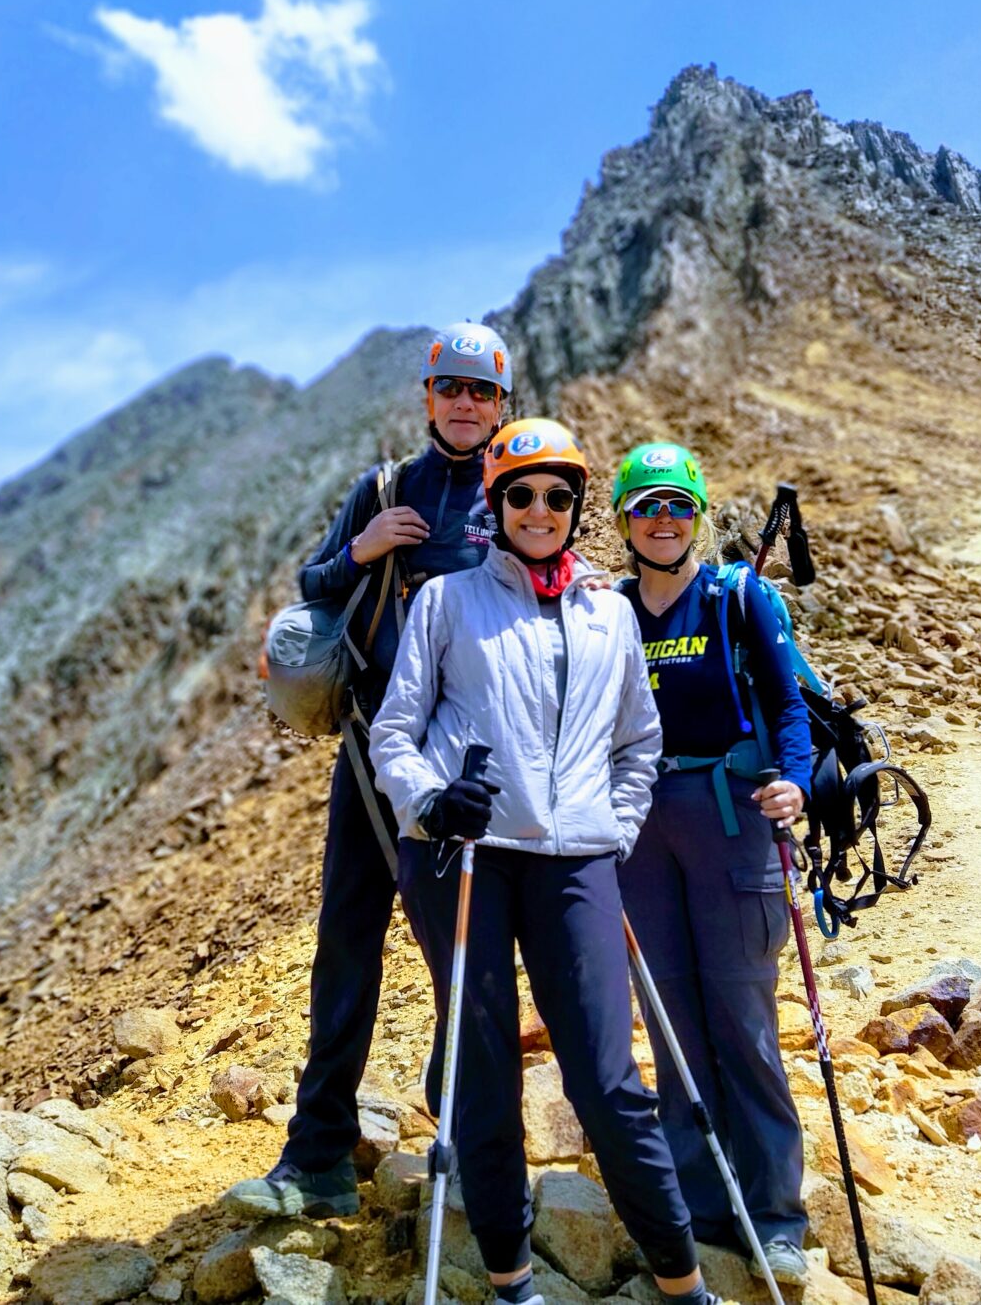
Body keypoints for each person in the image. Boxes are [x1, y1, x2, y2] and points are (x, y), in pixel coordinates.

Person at [371, 419, 719, 1305]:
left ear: (575, 509)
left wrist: (617, 828)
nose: (539, 509)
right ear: (497, 504)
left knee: (607, 1079)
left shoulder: (609, 613)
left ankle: (682, 1284)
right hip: (466, 856)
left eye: (557, 495)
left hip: (575, 863)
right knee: (485, 1073)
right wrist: (429, 801)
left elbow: (640, 743)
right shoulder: (446, 603)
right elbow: (394, 733)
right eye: (520, 493)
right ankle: (511, 1280)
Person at [222, 323, 513, 1220]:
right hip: (365, 753)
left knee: (457, 953)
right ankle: (317, 1158)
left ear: (501, 403)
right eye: (450, 389)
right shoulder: (383, 489)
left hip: (453, 765)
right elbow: (313, 585)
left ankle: (470, 1148)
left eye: (481, 391)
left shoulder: (515, 491)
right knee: (345, 945)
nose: (464, 404)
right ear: (427, 398)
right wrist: (366, 546)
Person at [608, 442, 816, 1287]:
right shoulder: (609, 610)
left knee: (743, 1021)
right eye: (647, 506)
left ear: (698, 514)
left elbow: (787, 703)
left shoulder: (738, 596)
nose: (664, 520)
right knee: (673, 1028)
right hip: (640, 829)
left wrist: (796, 786)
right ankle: (697, 1206)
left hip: (732, 817)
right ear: (623, 520)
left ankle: (774, 1217)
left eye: (678, 506)